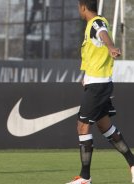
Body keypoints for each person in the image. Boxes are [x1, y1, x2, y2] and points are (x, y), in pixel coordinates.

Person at [66, 0, 134, 183]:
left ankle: (85, 177)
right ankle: (133, 164)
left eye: (78, 8)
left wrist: (111, 47)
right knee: (104, 126)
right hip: (98, 83)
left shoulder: (96, 22)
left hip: (98, 86)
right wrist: (86, 76)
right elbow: (96, 51)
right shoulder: (92, 25)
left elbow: (103, 34)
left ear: (83, 7)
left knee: (82, 126)